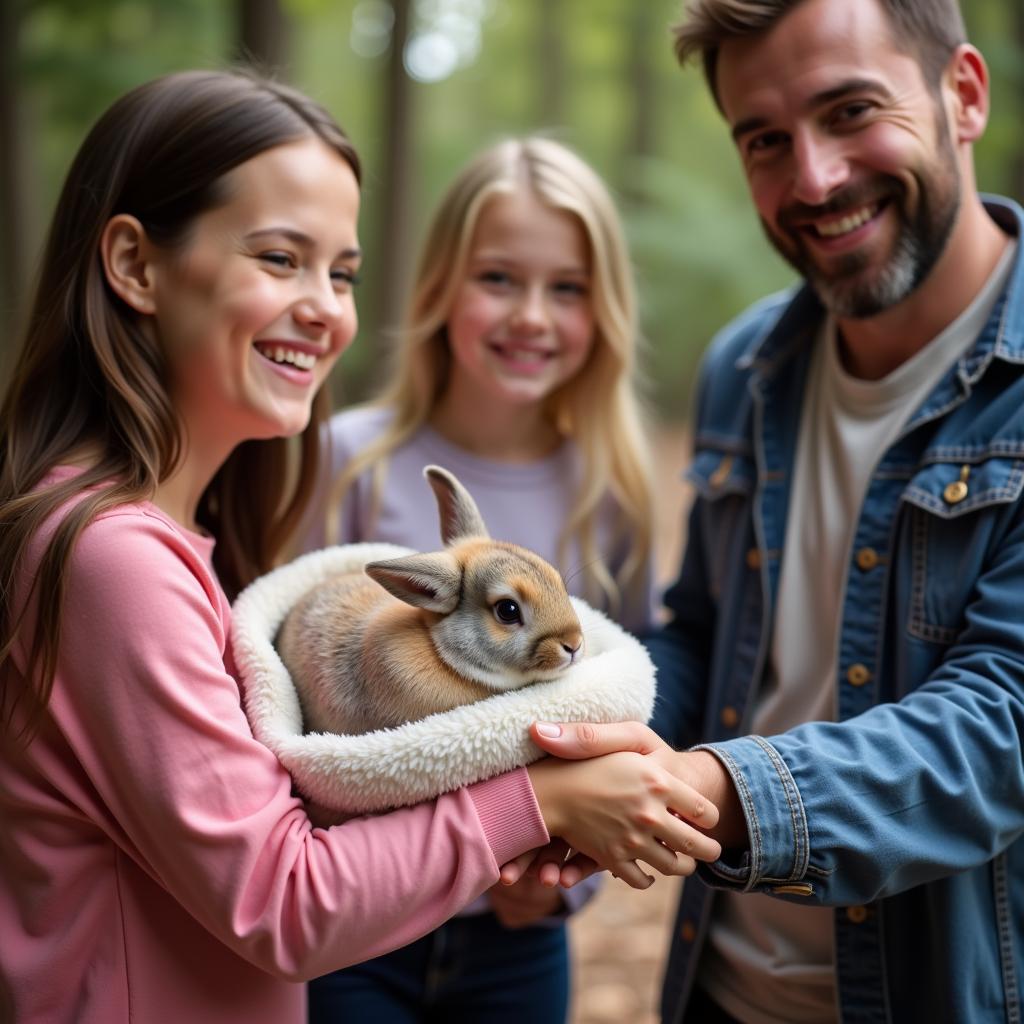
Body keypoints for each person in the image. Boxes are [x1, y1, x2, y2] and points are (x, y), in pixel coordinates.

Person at [0, 70, 724, 1024]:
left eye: (340, 272)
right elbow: (280, 894)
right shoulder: (114, 563)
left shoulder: (169, 538)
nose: (324, 307)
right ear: (136, 265)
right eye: (279, 258)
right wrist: (539, 804)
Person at [529, 0, 1024, 1021]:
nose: (813, 178)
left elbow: (999, 724)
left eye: (850, 111)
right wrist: (562, 767)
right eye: (765, 140)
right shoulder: (744, 371)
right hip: (718, 988)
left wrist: (712, 790)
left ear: (962, 94)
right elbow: (704, 639)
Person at [300, 136, 657, 1023]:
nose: (531, 314)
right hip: (358, 922)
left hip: (516, 930)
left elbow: (632, 702)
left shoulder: (613, 489)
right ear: (440, 289)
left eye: (566, 287)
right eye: (499, 278)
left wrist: (561, 885)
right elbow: (285, 675)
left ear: (602, 307)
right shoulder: (349, 462)